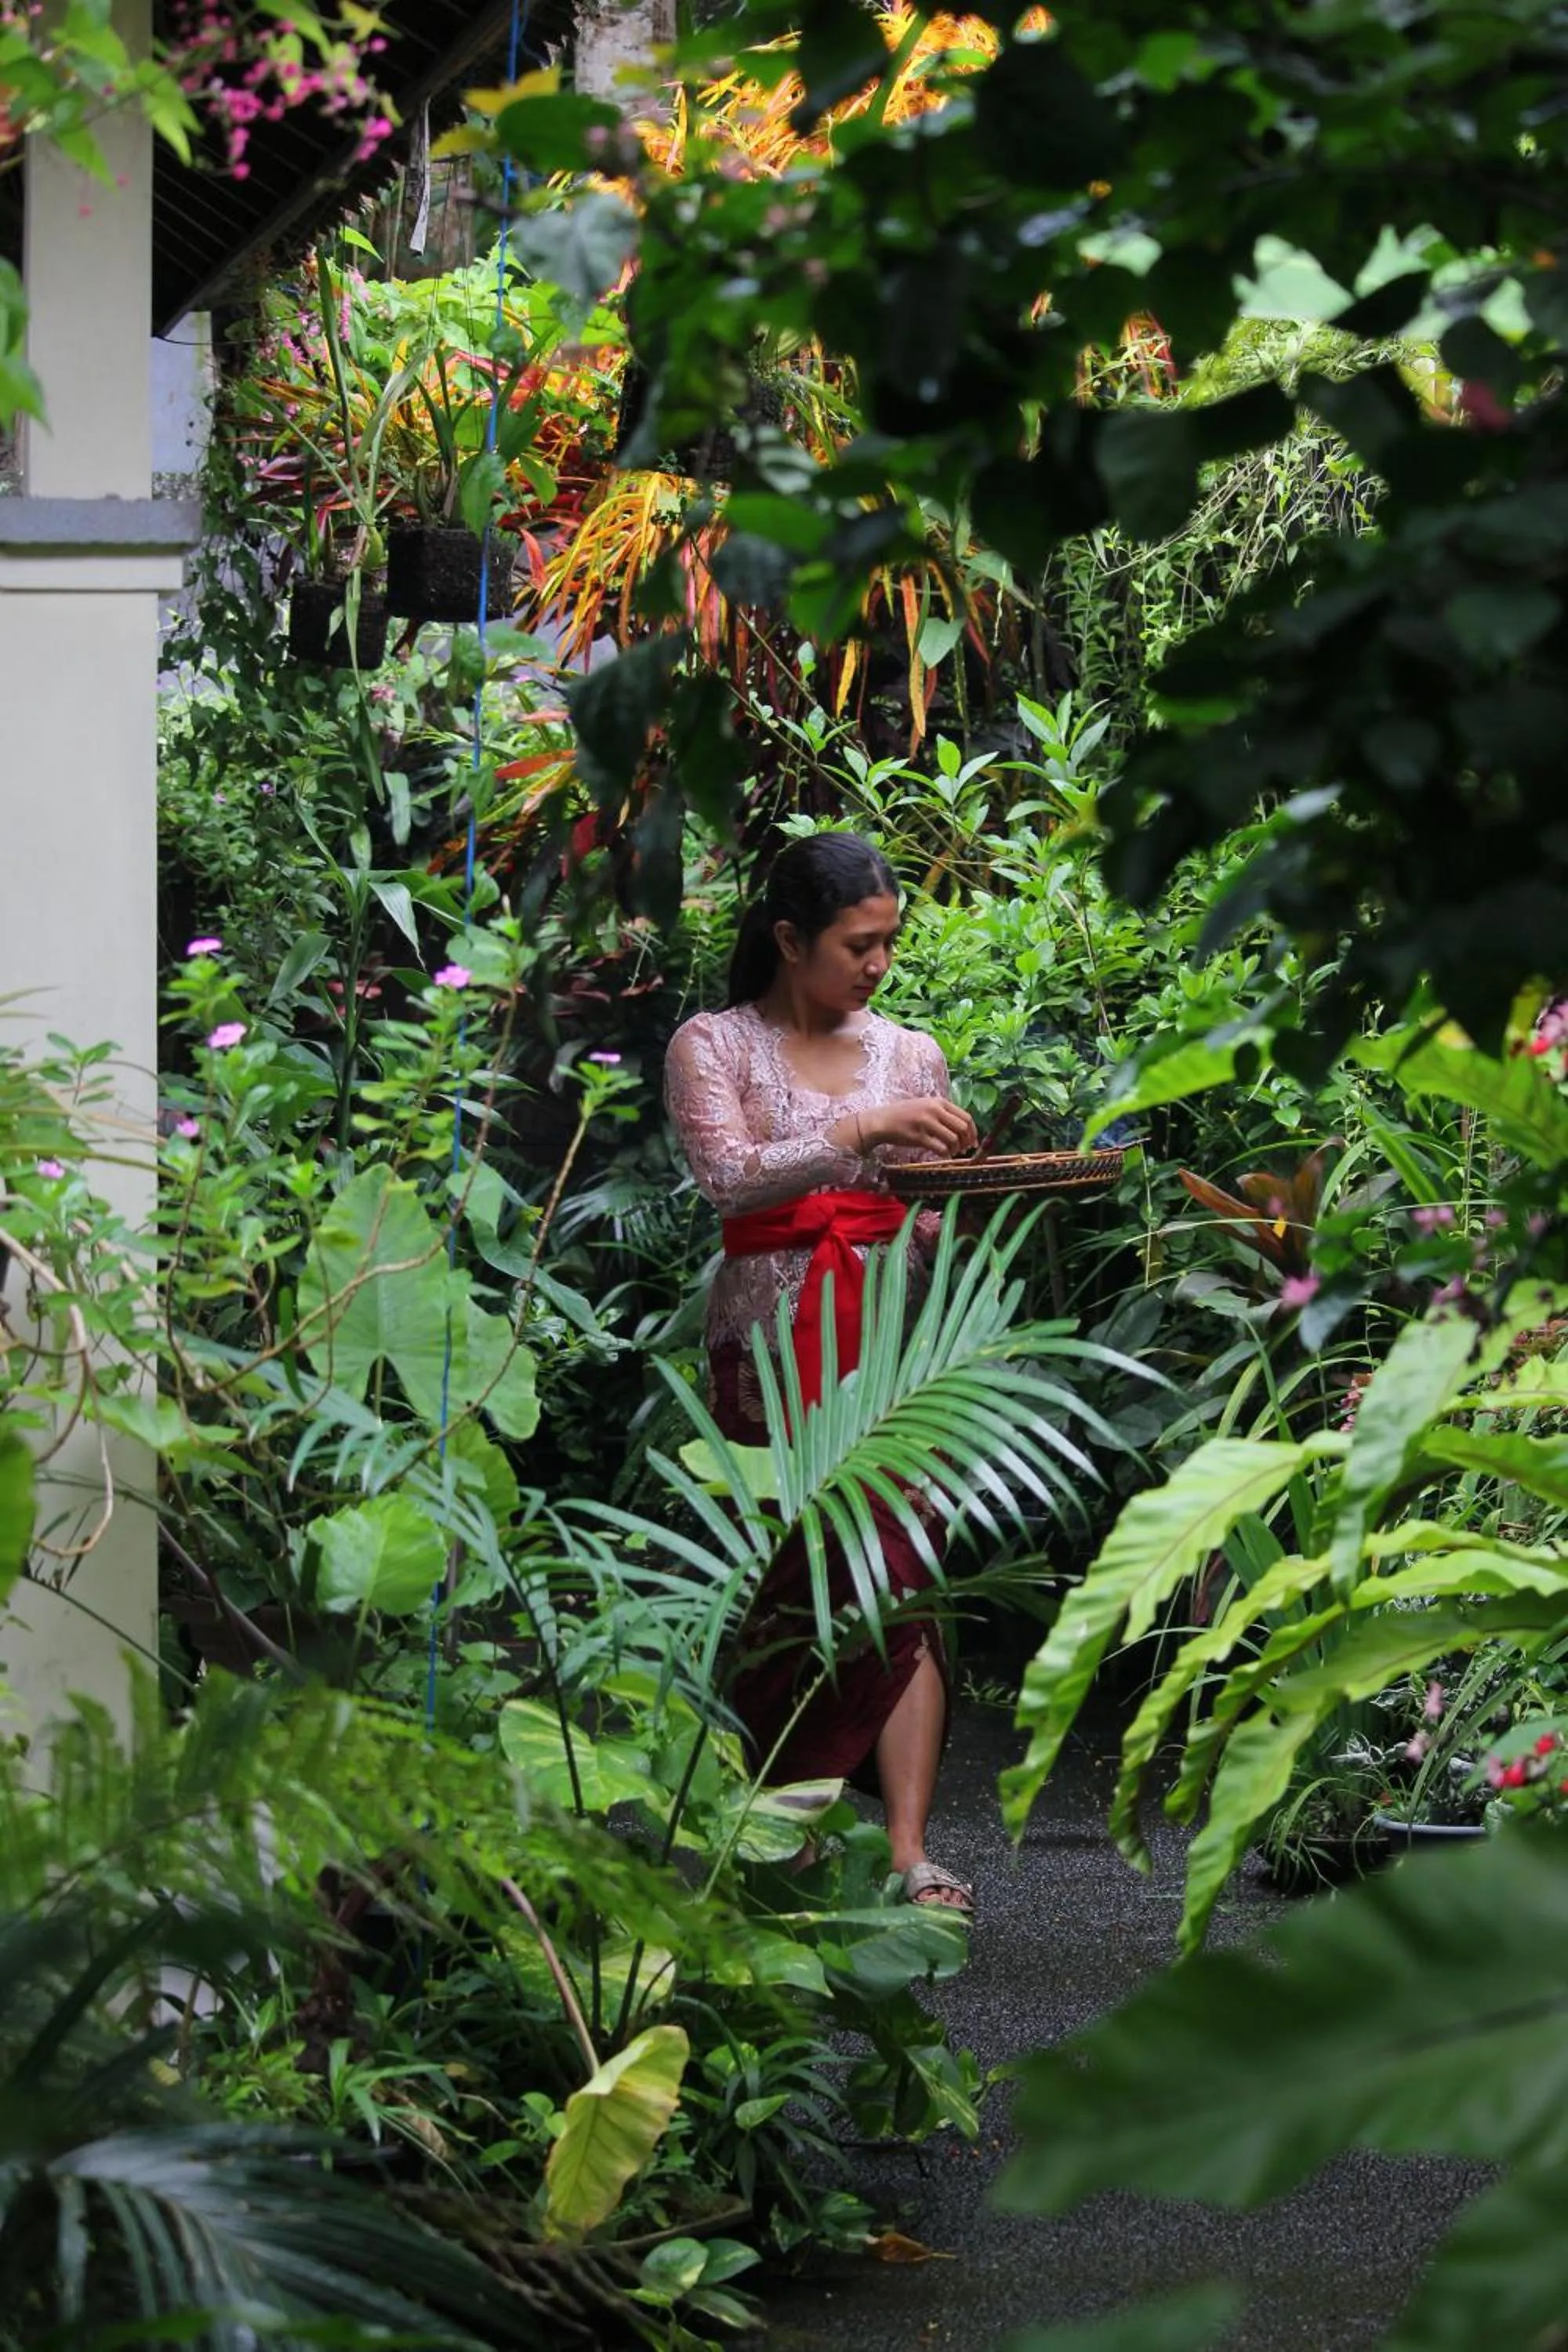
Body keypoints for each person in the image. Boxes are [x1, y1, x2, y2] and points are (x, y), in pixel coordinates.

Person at [663, 833, 978, 1912]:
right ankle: (780, 1830)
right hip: (764, 1350)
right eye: (859, 945)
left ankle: (906, 1851)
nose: (878, 966)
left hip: (887, 1352)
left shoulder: (914, 1053)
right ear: (789, 939)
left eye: (891, 944)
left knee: (902, 1579)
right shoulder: (712, 1045)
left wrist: (963, 1210)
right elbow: (728, 1179)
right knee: (785, 1586)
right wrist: (861, 1128)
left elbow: (924, 1222)